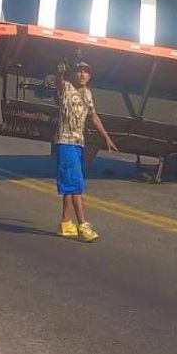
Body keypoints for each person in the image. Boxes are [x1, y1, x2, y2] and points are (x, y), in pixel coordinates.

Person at [54, 60, 117, 242]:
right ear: (74, 74)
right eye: (80, 71)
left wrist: (106, 137)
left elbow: (93, 116)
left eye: (86, 72)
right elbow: (58, 82)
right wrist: (59, 73)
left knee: (70, 183)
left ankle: (66, 223)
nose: (82, 75)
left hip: (78, 143)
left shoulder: (88, 94)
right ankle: (83, 225)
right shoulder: (65, 88)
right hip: (65, 142)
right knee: (76, 185)